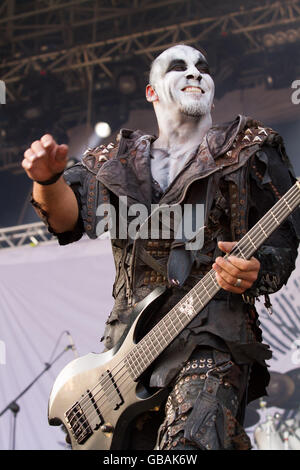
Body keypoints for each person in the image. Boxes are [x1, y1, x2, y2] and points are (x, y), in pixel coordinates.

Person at [22, 44, 300, 450]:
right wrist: (47, 181)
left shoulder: (250, 148)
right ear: (151, 92)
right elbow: (65, 221)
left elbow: (283, 242)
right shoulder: (113, 161)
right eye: (179, 67)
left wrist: (256, 269)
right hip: (126, 354)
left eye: (203, 68)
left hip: (214, 337)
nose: (195, 73)